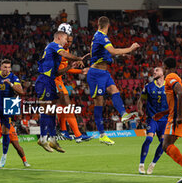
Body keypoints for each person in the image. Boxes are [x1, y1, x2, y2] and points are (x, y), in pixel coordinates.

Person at [87, 16, 140, 145]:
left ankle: (123, 114)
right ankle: (102, 135)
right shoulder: (101, 36)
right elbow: (112, 51)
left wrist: (123, 54)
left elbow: (104, 53)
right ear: (108, 25)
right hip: (96, 74)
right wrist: (130, 48)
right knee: (99, 102)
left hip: (104, 73)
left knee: (114, 90)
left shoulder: (97, 36)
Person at [35, 30, 86, 153]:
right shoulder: (53, 45)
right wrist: (78, 57)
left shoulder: (55, 54)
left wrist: (70, 67)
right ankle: (43, 138)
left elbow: (57, 72)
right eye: (65, 39)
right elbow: (64, 53)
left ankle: (52, 140)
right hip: (44, 80)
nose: (66, 42)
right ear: (59, 37)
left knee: (52, 111)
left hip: (50, 80)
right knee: (46, 109)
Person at [153, 57, 182, 183]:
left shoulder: (170, 77)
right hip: (176, 114)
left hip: (178, 116)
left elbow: (181, 93)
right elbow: (177, 98)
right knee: (166, 145)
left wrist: (177, 116)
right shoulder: (175, 76)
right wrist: (164, 113)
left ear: (165, 67)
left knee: (166, 145)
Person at [54, 30, 91, 143]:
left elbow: (67, 68)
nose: (68, 43)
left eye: (70, 42)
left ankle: (64, 130)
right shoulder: (58, 50)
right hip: (53, 80)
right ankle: (77, 134)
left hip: (59, 81)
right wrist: (77, 59)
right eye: (67, 41)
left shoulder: (67, 50)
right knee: (67, 106)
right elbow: (64, 62)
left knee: (63, 107)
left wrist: (80, 71)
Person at [137, 67, 168, 175]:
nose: (154, 72)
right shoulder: (148, 86)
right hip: (152, 118)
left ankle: (153, 164)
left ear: (163, 73)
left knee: (164, 143)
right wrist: (140, 109)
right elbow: (141, 100)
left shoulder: (169, 86)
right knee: (149, 139)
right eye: (154, 71)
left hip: (165, 120)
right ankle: (141, 164)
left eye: (157, 70)